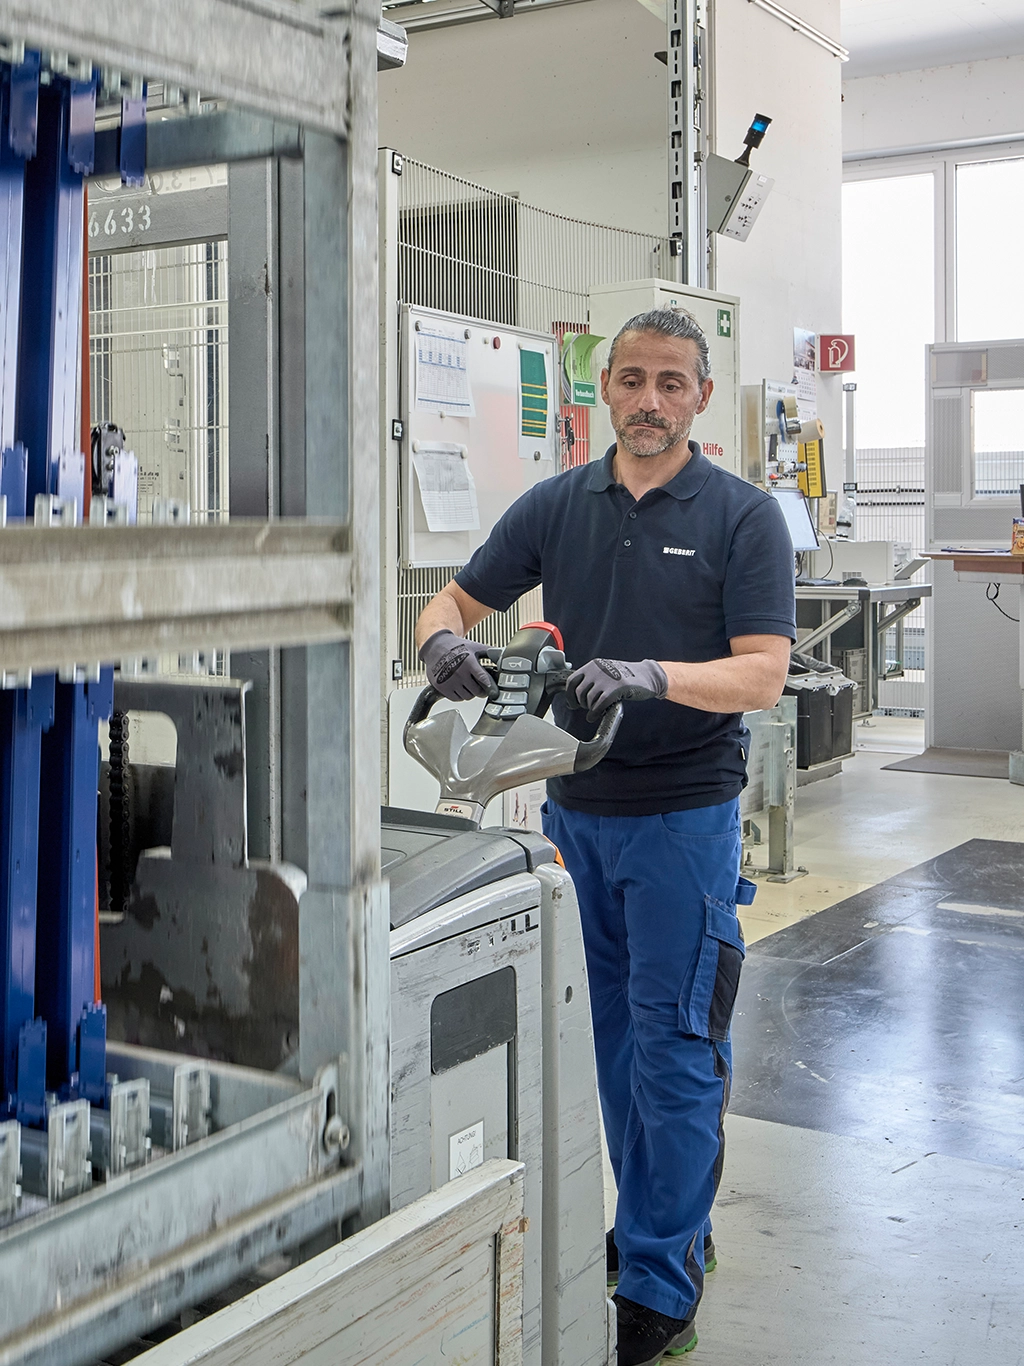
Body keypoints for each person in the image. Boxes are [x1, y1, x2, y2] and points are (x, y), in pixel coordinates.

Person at [414, 308, 796, 1365]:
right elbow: (449, 594)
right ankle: (666, 1227)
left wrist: (651, 675)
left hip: (683, 820)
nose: (647, 401)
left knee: (675, 1045)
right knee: (614, 1047)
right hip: (574, 815)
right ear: (602, 393)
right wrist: (443, 638)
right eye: (629, 380)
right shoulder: (556, 506)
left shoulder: (740, 516)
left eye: (670, 383)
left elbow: (761, 670)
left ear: (699, 398)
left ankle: (657, 1288)